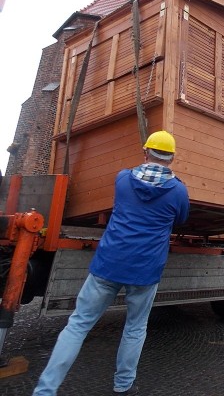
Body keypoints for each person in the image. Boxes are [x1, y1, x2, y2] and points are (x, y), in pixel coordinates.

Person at [33, 130, 190, 396]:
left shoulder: (123, 179)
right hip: (145, 270)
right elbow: (181, 219)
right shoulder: (178, 191)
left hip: (108, 263)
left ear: (145, 152)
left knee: (78, 324)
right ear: (172, 158)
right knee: (135, 328)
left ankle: (45, 390)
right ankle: (123, 386)